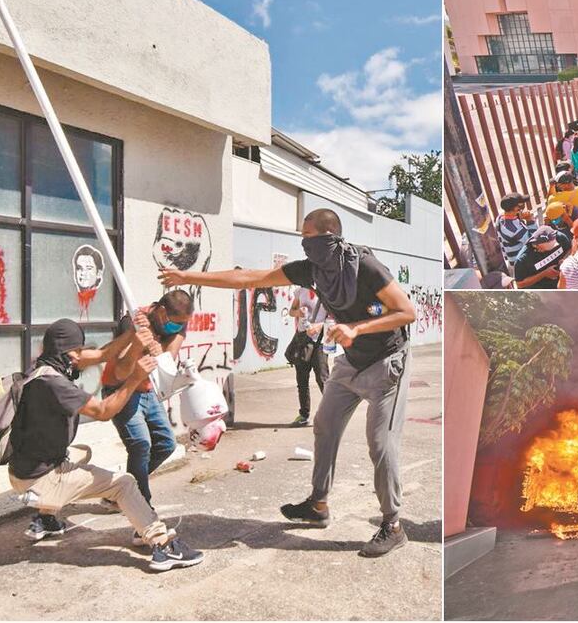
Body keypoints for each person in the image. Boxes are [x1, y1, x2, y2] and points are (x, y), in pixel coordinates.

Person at [159, 208, 418, 557]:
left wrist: (357, 328)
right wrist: (187, 276)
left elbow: (406, 312)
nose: (303, 242)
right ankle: (318, 504)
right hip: (351, 363)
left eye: (308, 235)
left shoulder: (366, 267)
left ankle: (393, 524)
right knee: (324, 426)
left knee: (380, 444)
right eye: (302, 236)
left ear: (329, 236)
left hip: (387, 363)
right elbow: (250, 278)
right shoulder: (311, 271)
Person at [9, 318, 203, 571]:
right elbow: (103, 411)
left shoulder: (41, 370)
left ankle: (46, 519)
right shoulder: (56, 385)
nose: (81, 357)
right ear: (66, 351)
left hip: (21, 471)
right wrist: (134, 379)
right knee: (124, 484)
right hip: (43, 479)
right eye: (77, 351)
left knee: (81, 452)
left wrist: (133, 332)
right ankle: (162, 545)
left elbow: (104, 354)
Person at [97, 290, 193, 525]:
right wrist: (137, 342)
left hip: (147, 390)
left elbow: (168, 356)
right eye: (176, 323)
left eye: (182, 324)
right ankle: (143, 510)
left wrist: (159, 350)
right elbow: (121, 368)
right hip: (122, 388)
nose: (178, 328)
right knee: (141, 444)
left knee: (166, 444)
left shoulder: (178, 322)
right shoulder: (132, 321)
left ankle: (122, 492)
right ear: (161, 312)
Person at [288, 286, 331, 427]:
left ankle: (332, 415)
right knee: (301, 379)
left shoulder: (328, 290)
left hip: (319, 341)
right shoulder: (300, 291)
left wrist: (319, 327)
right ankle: (303, 415)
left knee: (322, 378)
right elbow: (291, 311)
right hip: (302, 339)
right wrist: (298, 312)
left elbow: (334, 318)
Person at [495, 192, 537, 264]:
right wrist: (530, 221)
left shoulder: (500, 217)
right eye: (521, 205)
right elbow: (534, 241)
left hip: (512, 257)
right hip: (522, 261)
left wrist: (519, 218)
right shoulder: (513, 229)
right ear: (516, 208)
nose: (523, 207)